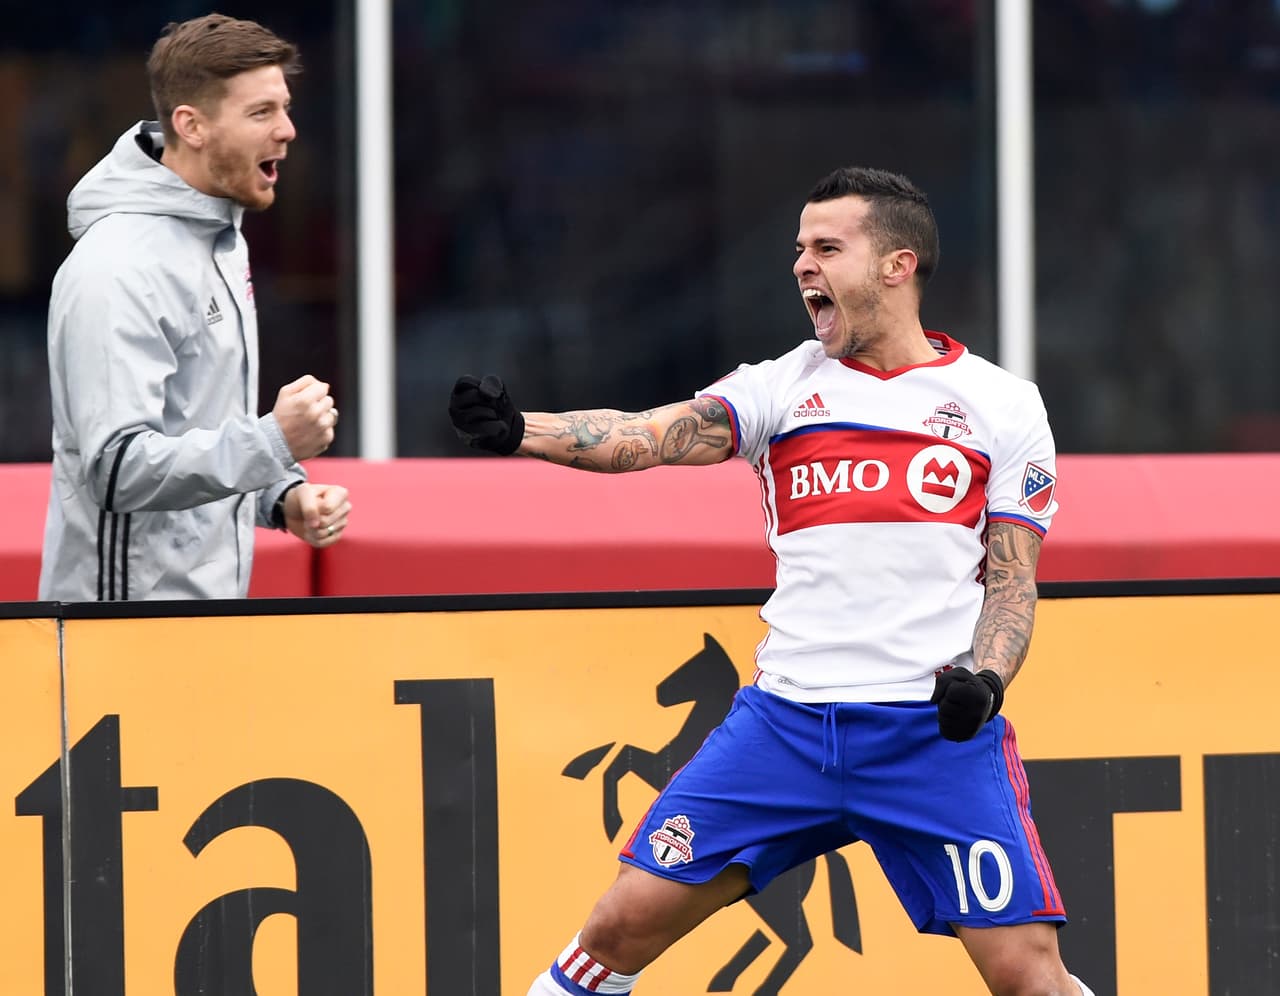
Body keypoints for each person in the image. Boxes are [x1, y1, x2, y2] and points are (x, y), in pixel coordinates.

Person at [449, 167, 1095, 995]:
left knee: (1027, 977)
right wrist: (520, 431)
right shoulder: (781, 387)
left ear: (898, 266)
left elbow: (1013, 580)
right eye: (799, 250)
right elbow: (649, 435)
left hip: (929, 740)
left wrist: (987, 679)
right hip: (785, 730)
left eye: (828, 248)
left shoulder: (1002, 404)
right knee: (616, 928)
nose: (802, 266)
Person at [39, 14, 351, 601]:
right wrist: (273, 443)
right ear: (192, 125)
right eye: (261, 112)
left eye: (284, 108)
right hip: (122, 635)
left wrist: (280, 495)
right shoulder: (119, 265)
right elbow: (117, 467)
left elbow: (196, 430)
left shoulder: (218, 238)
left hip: (202, 627)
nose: (287, 130)